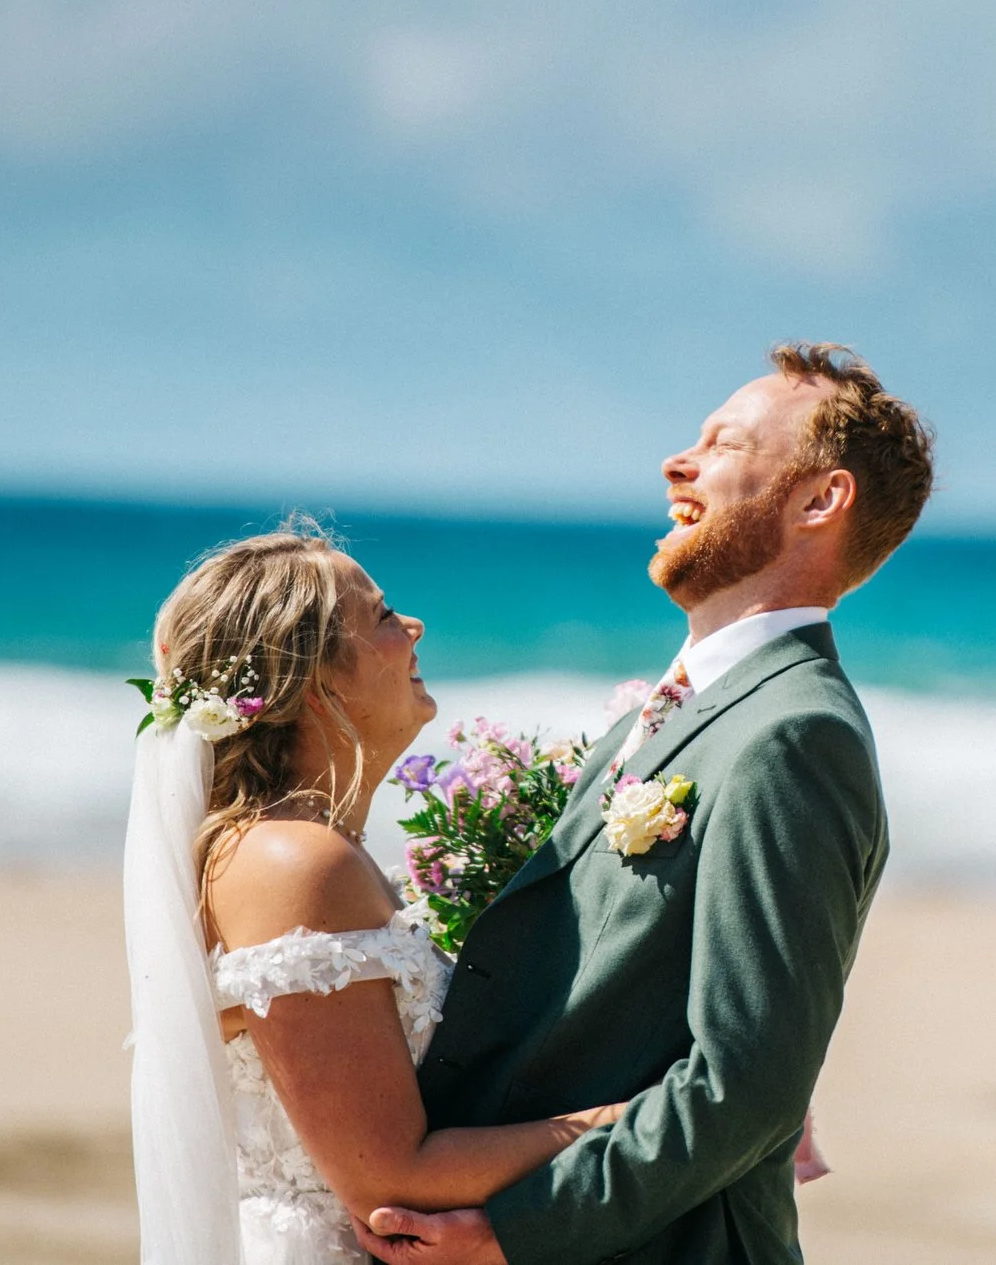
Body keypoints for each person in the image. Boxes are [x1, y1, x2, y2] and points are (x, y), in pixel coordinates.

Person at [358, 341, 935, 1265]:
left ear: (820, 500)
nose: (677, 461)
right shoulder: (689, 707)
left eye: (723, 443)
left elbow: (748, 1083)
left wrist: (515, 1231)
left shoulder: (793, 734)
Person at [122, 528, 629, 1265]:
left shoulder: (318, 850)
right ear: (317, 681)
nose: (414, 627)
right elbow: (390, 1178)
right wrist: (646, 1119)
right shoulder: (294, 861)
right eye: (385, 615)